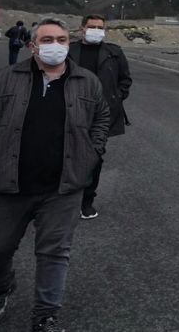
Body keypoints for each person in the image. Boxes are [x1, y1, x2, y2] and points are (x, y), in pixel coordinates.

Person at [0, 17, 110, 332]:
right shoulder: (5, 79)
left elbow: (101, 117)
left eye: (61, 39)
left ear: (68, 44)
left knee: (55, 253)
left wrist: (92, 152)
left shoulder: (87, 82)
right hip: (7, 185)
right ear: (32, 46)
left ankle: (45, 315)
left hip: (63, 186)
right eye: (47, 40)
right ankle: (0, 289)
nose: (55, 45)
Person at [68, 14, 132, 220]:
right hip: (69, 111)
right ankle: (62, 199)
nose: (96, 30)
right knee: (65, 154)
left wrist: (116, 98)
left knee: (94, 157)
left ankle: (87, 200)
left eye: (100, 27)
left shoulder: (113, 52)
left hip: (101, 115)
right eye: (92, 26)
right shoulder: (69, 50)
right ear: (82, 29)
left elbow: (125, 80)